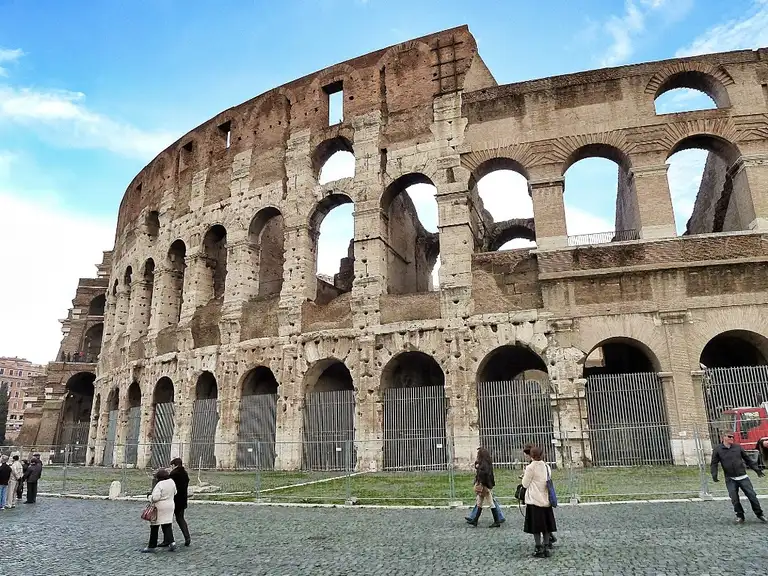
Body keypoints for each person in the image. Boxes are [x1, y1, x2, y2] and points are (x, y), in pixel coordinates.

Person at [711, 432, 766, 523]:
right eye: (729, 437)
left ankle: (760, 514)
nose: (731, 438)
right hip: (730, 478)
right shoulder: (718, 449)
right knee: (734, 498)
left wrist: (757, 470)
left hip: (743, 477)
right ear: (723, 437)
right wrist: (714, 474)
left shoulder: (737, 447)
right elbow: (714, 463)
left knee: (752, 496)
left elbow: (748, 460)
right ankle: (740, 516)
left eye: (733, 437)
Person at [522, 446, 557, 558]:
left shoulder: (530, 468)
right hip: (546, 499)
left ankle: (538, 548)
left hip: (534, 499)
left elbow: (525, 484)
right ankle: (546, 546)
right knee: (546, 526)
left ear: (531, 455)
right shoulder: (547, 466)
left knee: (536, 527)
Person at [141, 468, 177, 553]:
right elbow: (175, 492)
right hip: (170, 505)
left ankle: (151, 546)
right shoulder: (171, 482)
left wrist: (149, 497)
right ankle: (172, 542)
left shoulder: (160, 484)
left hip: (159, 508)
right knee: (167, 525)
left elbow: (156, 498)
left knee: (154, 526)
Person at [468, 447, 502, 528]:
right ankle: (475, 520)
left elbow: (483, 474)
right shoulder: (486, 463)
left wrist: (482, 483)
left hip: (484, 486)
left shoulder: (484, 465)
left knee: (490, 503)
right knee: (479, 502)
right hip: (486, 485)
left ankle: (497, 521)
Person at [169, 458, 191, 546]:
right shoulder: (185, 473)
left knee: (167, 521)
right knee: (181, 519)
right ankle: (187, 537)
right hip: (183, 499)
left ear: (174, 465)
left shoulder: (174, 474)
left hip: (174, 499)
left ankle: (169, 539)